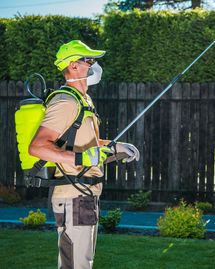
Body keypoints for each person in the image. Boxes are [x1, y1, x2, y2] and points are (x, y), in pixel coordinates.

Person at [29, 40, 139, 269]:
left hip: (85, 194)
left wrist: (116, 148)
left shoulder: (83, 100)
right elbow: (38, 146)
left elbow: (86, 144)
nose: (94, 65)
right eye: (89, 60)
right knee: (76, 264)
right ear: (73, 66)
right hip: (74, 195)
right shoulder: (65, 101)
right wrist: (81, 159)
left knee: (82, 260)